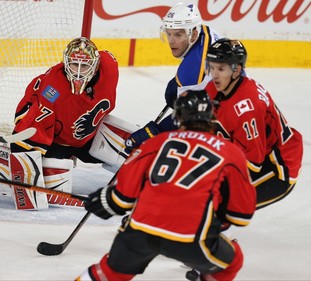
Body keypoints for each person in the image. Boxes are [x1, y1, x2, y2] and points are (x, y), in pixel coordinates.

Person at [76, 90, 257, 280]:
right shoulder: (232, 153)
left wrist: (104, 200)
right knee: (231, 262)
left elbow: (122, 199)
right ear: (212, 117)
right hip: (192, 238)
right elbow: (241, 215)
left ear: (178, 116)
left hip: (141, 231)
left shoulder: (155, 143)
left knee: (108, 273)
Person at [8, 37, 119, 210]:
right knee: (55, 179)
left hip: (87, 138)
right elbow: (33, 128)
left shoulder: (109, 70)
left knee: (129, 143)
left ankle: (143, 181)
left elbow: (105, 56)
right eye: (75, 65)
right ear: (66, 63)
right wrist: (23, 164)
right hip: (57, 142)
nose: (79, 72)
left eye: (85, 66)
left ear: (96, 65)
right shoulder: (52, 89)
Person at [204, 38, 303, 209]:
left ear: (237, 70)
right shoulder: (216, 88)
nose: (215, 74)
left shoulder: (246, 109)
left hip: (277, 167)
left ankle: (211, 233)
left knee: (220, 202)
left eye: (221, 68)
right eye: (212, 67)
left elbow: (252, 164)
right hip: (257, 152)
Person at [124, 2, 220, 153]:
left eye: (178, 34)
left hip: (224, 121)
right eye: (169, 33)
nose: (171, 41)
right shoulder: (203, 32)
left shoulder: (192, 68)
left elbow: (189, 115)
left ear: (193, 33)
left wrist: (155, 132)